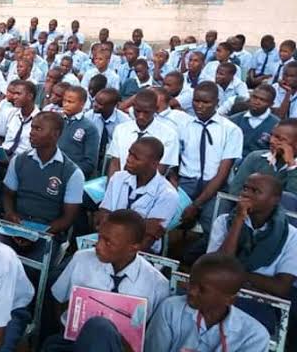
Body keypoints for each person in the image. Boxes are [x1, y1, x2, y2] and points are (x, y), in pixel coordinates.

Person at [42, 210, 169, 352]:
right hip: (73, 344)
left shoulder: (157, 285)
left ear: (133, 248)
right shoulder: (81, 259)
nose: (98, 246)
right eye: (99, 237)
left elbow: (152, 336)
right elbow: (58, 299)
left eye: (108, 242)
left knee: (100, 329)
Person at [208, 173, 297, 333]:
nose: (246, 194)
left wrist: (235, 276)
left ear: (275, 200)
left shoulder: (291, 235)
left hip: (261, 302)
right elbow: (217, 267)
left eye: (255, 191)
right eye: (245, 188)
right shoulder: (224, 222)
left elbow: (281, 287)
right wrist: (238, 220)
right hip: (220, 292)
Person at [145, 253, 269, 352]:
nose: (191, 291)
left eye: (202, 290)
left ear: (229, 299)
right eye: (191, 282)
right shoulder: (170, 309)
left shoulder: (254, 336)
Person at [3, 112, 85, 260]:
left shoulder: (72, 173)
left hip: (48, 232)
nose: (31, 133)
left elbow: (68, 218)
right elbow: (8, 195)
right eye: (32, 127)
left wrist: (36, 234)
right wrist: (11, 215)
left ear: (55, 134)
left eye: (38, 129)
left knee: (32, 267)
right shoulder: (19, 161)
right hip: (16, 226)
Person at [174, 81, 243, 234]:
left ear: (217, 102)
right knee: (166, 219)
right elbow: (174, 160)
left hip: (215, 186)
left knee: (214, 226)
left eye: (206, 102)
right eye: (196, 101)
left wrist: (196, 204)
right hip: (186, 183)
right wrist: (174, 185)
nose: (199, 106)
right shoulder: (183, 126)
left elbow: (223, 173)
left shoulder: (231, 130)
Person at [98, 138, 178, 253]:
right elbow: (103, 218)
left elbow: (147, 239)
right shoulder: (118, 178)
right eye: (129, 153)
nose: (128, 159)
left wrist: (114, 221)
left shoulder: (168, 194)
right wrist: (142, 225)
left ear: (154, 163)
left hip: (142, 252)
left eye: (136, 158)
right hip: (108, 243)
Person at [106, 89, 179, 178]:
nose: (141, 116)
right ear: (133, 108)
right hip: (120, 182)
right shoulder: (121, 129)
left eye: (146, 112)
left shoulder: (169, 135)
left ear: (156, 109)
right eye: (137, 111)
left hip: (151, 184)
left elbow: (161, 169)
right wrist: (113, 184)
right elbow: (115, 163)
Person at [230, 119, 297, 195]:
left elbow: (293, 197)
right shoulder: (255, 158)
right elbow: (235, 190)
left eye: (280, 139)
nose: (271, 141)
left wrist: (291, 166)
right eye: (271, 135)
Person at [84, 88, 130, 174]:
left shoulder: (124, 122)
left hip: (112, 158)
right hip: (92, 156)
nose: (95, 105)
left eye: (100, 104)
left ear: (113, 105)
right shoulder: (89, 116)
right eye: (95, 101)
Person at [58, 86, 99, 178]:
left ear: (82, 104)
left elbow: (90, 163)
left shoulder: (89, 128)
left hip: (72, 174)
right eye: (64, 101)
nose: (65, 104)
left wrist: (69, 172)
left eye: (70, 102)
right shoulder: (57, 120)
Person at [229, 84, 279, 158]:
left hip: (260, 162)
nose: (256, 102)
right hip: (233, 160)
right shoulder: (233, 120)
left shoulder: (277, 125)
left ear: (271, 104)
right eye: (254, 97)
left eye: (262, 100)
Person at [0, 80, 40, 158]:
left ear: (30, 96)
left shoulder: (40, 119)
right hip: (4, 154)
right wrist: (0, 155)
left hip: (23, 159)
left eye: (18, 94)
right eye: (14, 93)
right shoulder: (9, 113)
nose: (14, 97)